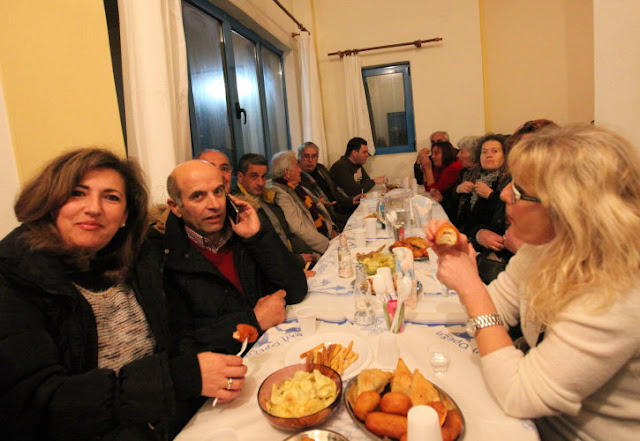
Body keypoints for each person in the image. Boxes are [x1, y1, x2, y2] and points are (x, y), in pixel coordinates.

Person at [0, 148, 247, 440]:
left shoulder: (138, 258)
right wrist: (180, 378)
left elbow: (177, 333)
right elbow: (35, 405)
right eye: (77, 194)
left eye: (111, 197)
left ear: (125, 216)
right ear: (49, 202)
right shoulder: (14, 275)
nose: (94, 208)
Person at [427, 124, 640, 441]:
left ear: (568, 209)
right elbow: (495, 311)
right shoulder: (546, 247)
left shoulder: (619, 293)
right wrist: (466, 269)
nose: (504, 194)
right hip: (537, 420)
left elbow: (520, 395)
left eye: (519, 190)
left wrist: (470, 287)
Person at [148, 159, 307, 354]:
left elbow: (296, 290)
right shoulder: (162, 253)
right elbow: (180, 344)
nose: (214, 205)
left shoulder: (244, 224)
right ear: (175, 207)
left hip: (275, 345)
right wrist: (252, 321)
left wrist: (258, 237)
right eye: (198, 196)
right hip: (229, 362)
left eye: (218, 191)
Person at [233, 153, 318, 274]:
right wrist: (297, 260)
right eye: (254, 176)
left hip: (291, 259)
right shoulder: (240, 209)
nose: (261, 183)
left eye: (263, 176)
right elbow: (263, 253)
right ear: (240, 177)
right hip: (278, 270)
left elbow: (286, 233)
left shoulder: (267, 197)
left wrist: (306, 253)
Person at [270, 151, 336, 254]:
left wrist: (332, 229)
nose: (300, 170)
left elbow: (319, 210)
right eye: (297, 166)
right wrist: (328, 245)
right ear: (287, 172)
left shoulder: (297, 187)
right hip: (315, 248)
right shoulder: (280, 194)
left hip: (325, 235)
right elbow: (299, 229)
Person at [454, 134, 510, 252]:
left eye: (495, 151)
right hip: (472, 242)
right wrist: (457, 190)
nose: (488, 155)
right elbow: (467, 218)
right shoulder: (479, 177)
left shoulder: (508, 181)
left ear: (505, 156)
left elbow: (505, 218)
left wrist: (490, 195)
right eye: (484, 152)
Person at [298, 141, 362, 228]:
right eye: (306, 156)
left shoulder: (321, 168)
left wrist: (350, 200)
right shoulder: (298, 177)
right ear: (299, 157)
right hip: (326, 217)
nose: (310, 160)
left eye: (314, 156)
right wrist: (317, 202)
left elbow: (334, 190)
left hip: (340, 209)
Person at [432, 135, 481, 222]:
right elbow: (454, 201)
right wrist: (443, 199)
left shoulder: (482, 175)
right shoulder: (463, 172)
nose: (458, 155)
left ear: (473, 154)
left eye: (461, 152)